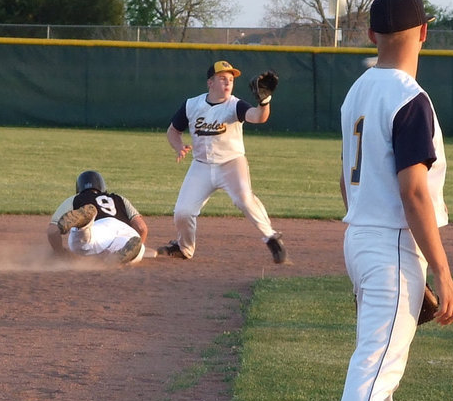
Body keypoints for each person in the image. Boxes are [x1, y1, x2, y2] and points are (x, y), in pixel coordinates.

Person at [332, 0, 453, 401]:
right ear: (424, 32)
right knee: (374, 370)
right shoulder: (411, 97)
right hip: (389, 241)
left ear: (371, 35)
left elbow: (345, 180)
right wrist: (441, 269)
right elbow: (414, 192)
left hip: (365, 236)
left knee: (383, 370)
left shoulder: (357, 91)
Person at [156, 59, 287, 263]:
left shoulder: (235, 105)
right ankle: (184, 248)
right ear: (210, 83)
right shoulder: (192, 105)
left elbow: (258, 117)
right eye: (223, 79)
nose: (228, 83)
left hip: (231, 163)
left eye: (231, 80)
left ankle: (272, 237)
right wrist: (178, 146)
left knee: (244, 199)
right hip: (201, 166)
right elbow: (173, 131)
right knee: (183, 212)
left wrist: (265, 101)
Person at [47, 170, 148, 265]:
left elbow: (52, 231)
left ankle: (84, 225)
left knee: (81, 245)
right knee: (138, 251)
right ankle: (120, 256)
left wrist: (60, 253)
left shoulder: (76, 199)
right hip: (126, 231)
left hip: (99, 227)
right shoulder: (119, 199)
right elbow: (141, 228)